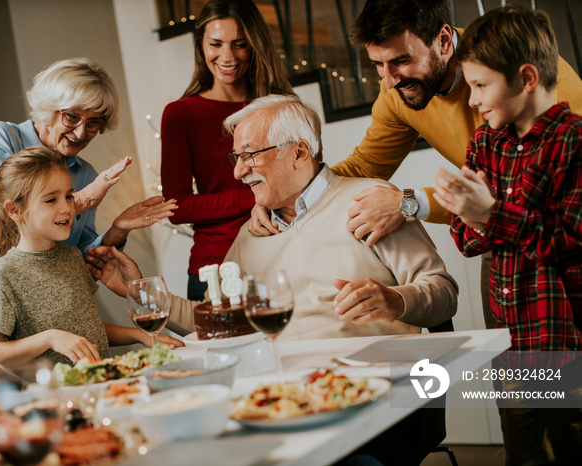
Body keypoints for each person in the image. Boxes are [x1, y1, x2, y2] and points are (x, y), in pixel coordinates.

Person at [247, 0, 582, 330]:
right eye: (378, 64)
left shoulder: (523, 70)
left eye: (402, 60)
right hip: (497, 239)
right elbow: (366, 164)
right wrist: (282, 193)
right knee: (513, 364)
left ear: (444, 42)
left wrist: (410, 203)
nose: (389, 80)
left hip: (558, 232)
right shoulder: (401, 95)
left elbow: (537, 187)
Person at [92, 94, 457, 342]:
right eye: (235, 158)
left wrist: (396, 301)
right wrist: (139, 294)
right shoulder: (252, 233)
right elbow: (219, 320)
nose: (238, 172)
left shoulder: (371, 203)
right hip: (286, 396)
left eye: (249, 156)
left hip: (379, 391)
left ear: (299, 153)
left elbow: (443, 292)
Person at [0, 57, 178, 403]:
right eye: (72, 116)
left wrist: (117, 230)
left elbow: (69, 264)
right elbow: (3, 240)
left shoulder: (84, 172)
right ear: (47, 108)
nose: (81, 133)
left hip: (41, 327)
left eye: (94, 123)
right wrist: (80, 201)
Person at [432, 6, 582, 464]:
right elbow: (466, 238)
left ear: (527, 77)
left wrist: (492, 216)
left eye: (480, 86)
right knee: (523, 454)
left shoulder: (573, 141)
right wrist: (473, 214)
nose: (473, 100)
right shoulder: (484, 145)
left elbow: (569, 241)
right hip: (511, 347)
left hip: (568, 348)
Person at [0, 147, 182, 369]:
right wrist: (49, 338)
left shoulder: (72, 257)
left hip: (98, 382)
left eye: (68, 196)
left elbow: (86, 327)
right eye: (50, 200)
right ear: (14, 210)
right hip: (56, 396)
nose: (66, 208)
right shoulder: (4, 274)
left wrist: (140, 335)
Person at [160, 0, 294, 301]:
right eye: (216, 44)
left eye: (239, 44)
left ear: (255, 46)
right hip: (216, 270)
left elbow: (304, 181)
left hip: (283, 256)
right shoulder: (181, 114)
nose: (227, 56)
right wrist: (255, 196)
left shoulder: (282, 106)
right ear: (201, 46)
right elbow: (177, 207)